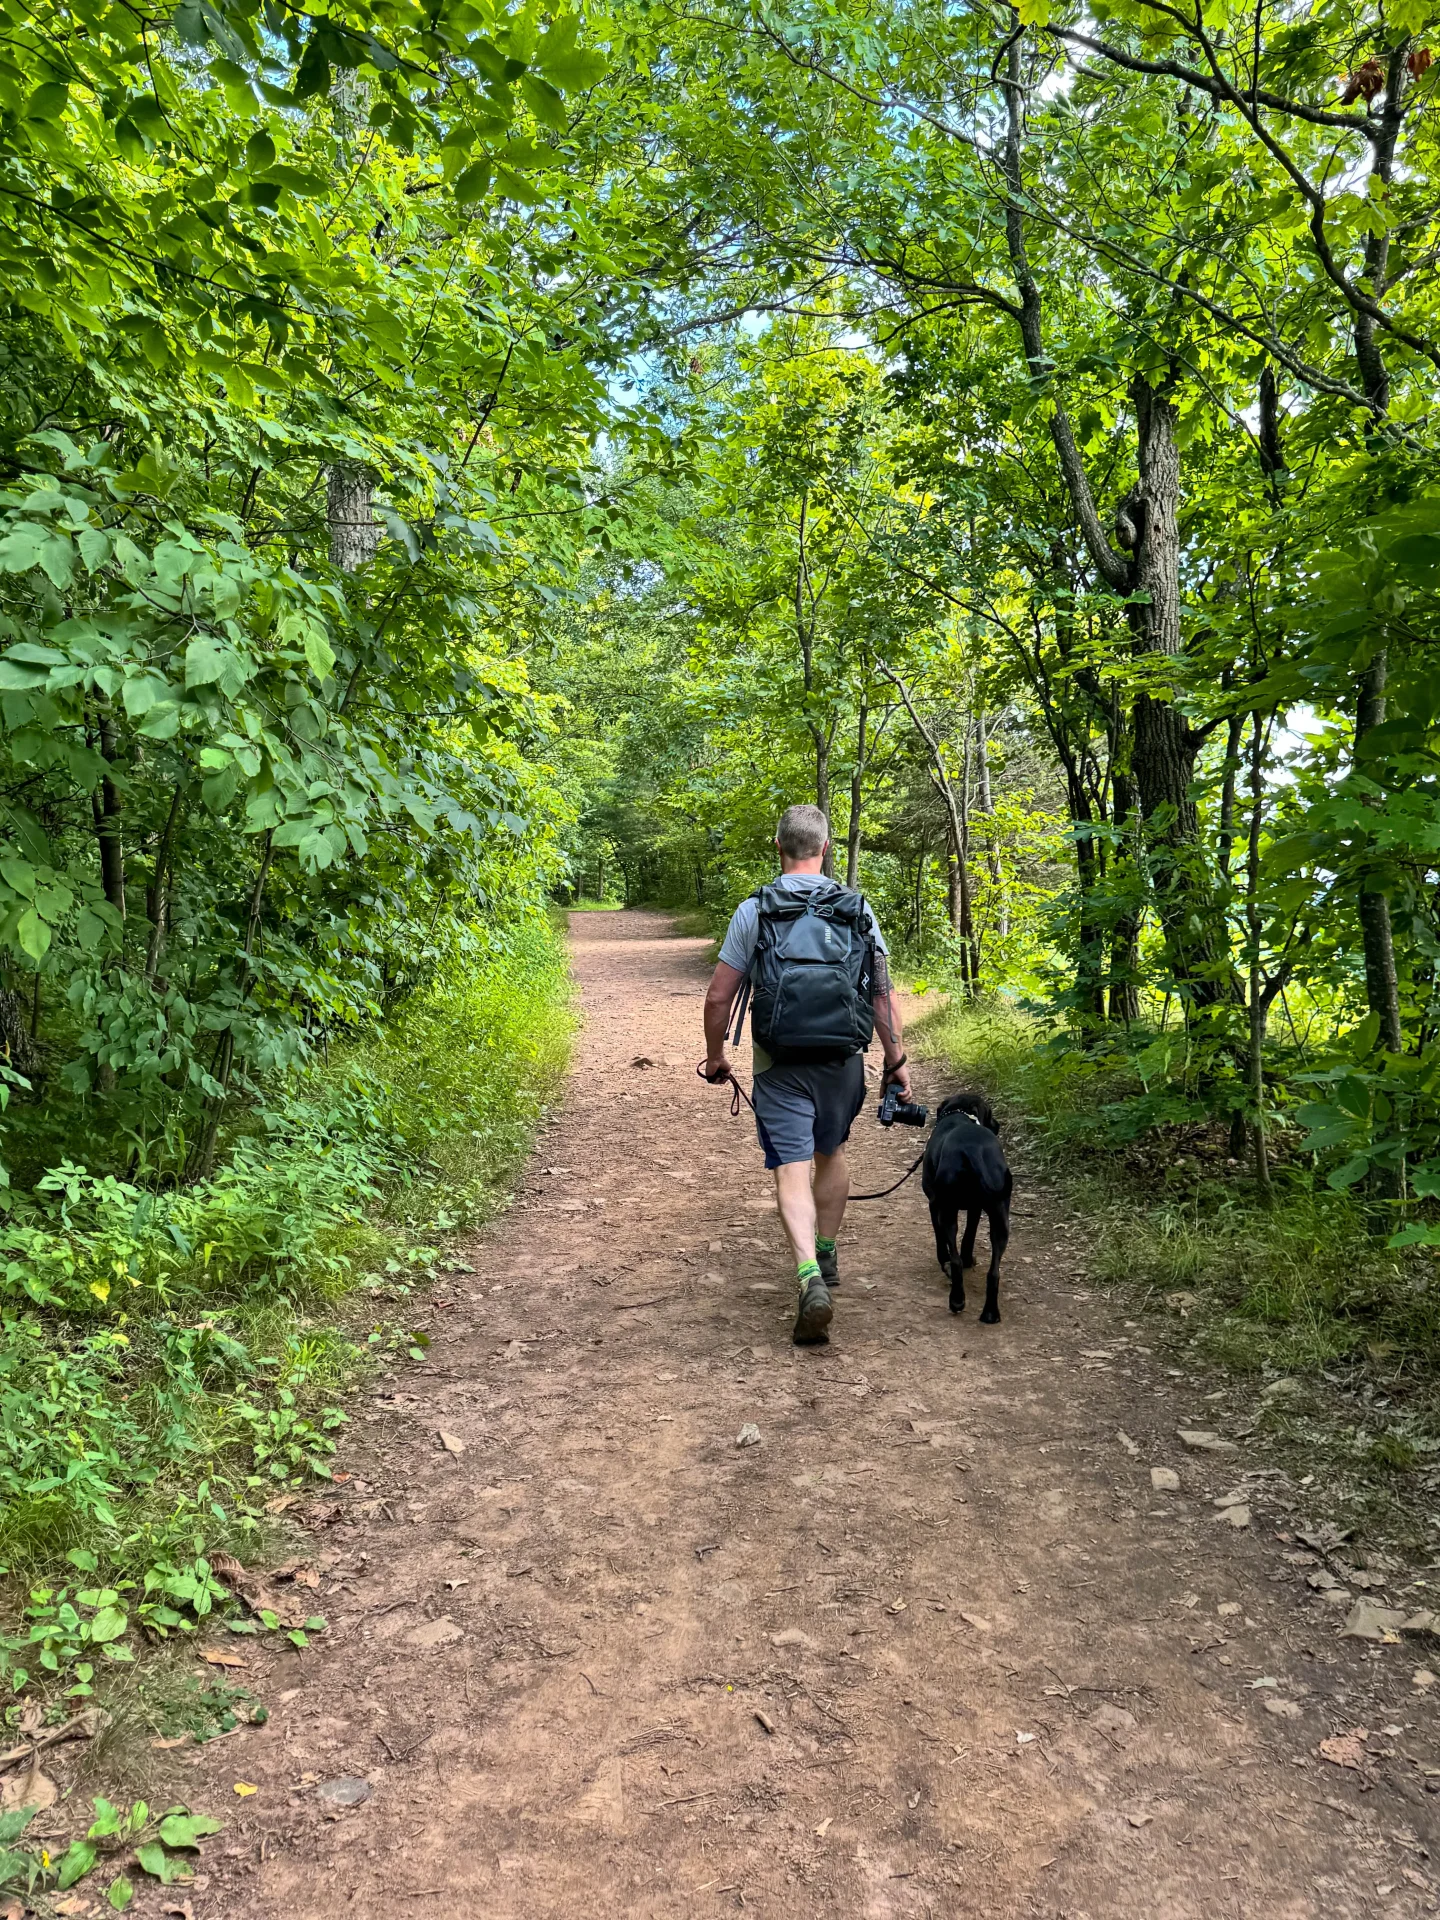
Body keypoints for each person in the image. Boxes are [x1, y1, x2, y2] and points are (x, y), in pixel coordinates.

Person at [703, 803, 912, 1345]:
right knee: (832, 1154)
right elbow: (881, 997)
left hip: (780, 1063)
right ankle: (827, 1249)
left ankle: (807, 1276)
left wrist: (717, 1055)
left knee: (790, 1169)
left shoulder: (756, 910)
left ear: (779, 848)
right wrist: (895, 1062)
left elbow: (719, 994)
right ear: (825, 849)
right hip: (842, 1060)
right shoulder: (857, 911)